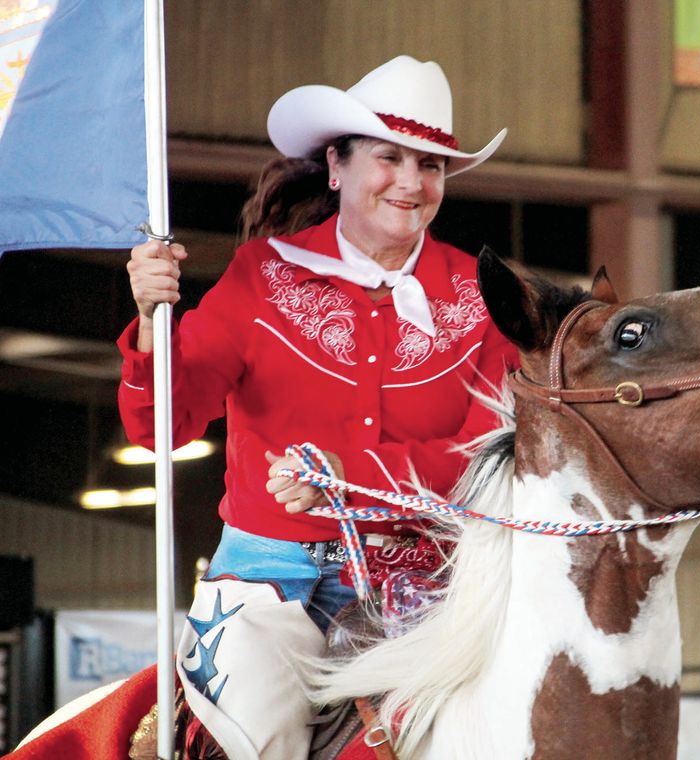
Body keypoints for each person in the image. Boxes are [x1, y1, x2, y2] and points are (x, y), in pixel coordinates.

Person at [119, 55, 516, 759]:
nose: (411, 182)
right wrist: (153, 321)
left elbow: (485, 457)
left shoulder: (484, 295)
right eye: (388, 158)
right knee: (258, 736)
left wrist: (347, 473)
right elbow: (160, 427)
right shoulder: (260, 276)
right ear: (336, 165)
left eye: (431, 165)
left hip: (431, 592)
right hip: (269, 588)